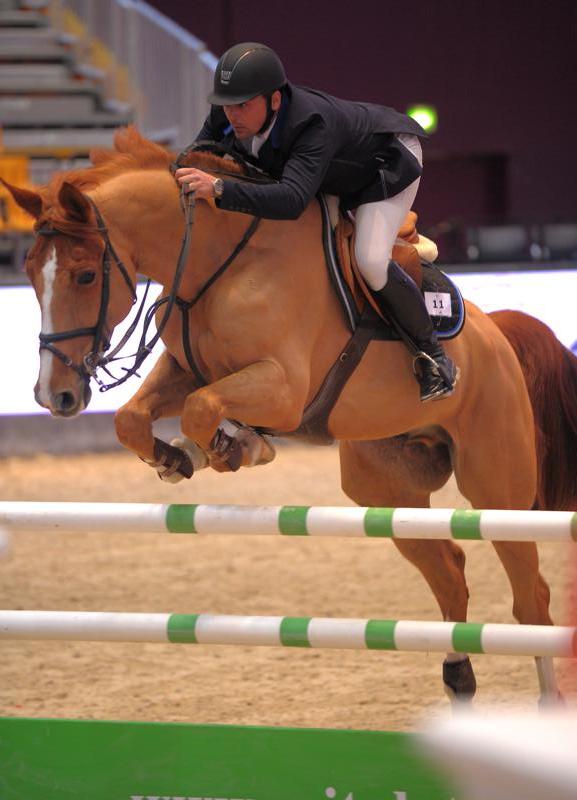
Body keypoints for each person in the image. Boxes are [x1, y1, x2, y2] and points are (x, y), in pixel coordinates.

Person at [175, 42, 457, 401]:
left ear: (275, 100)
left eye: (243, 105)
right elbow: (194, 158)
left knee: (369, 260)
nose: (232, 114)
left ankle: (434, 358)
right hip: (330, 171)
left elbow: (292, 199)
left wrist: (216, 187)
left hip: (386, 164)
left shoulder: (311, 125)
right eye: (228, 104)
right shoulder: (228, 113)